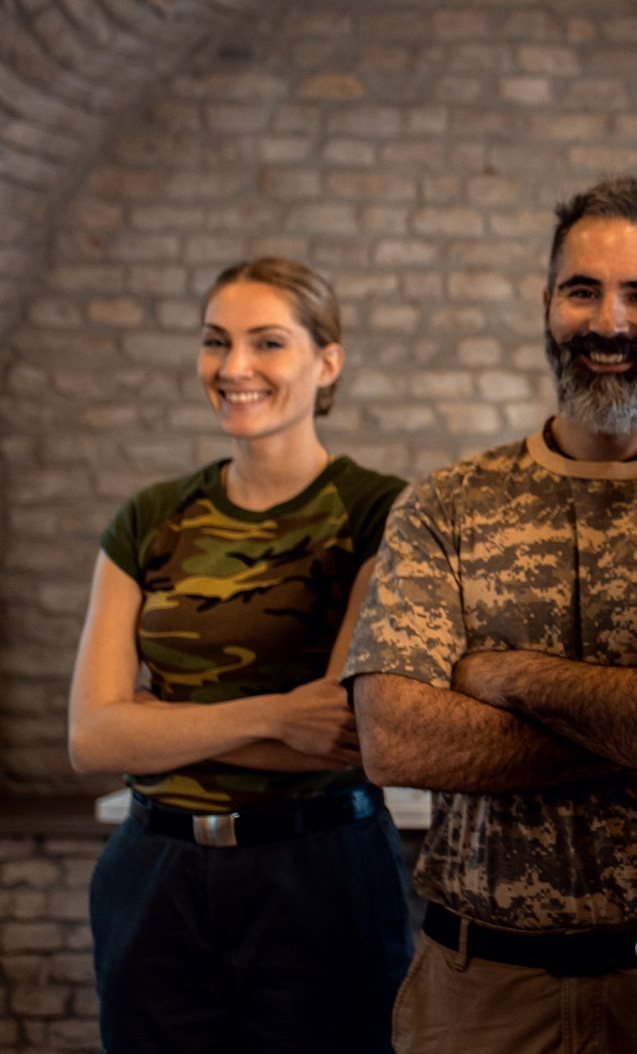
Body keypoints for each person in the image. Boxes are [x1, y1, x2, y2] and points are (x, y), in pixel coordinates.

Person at [344, 176, 637, 1054]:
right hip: (477, 994)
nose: (610, 322)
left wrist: (501, 674)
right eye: (582, 290)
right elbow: (395, 739)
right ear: (547, 305)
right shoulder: (446, 503)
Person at [68, 257, 411, 1054]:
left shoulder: (377, 510)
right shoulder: (150, 516)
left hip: (319, 868)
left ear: (327, 362)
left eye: (267, 343)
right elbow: (91, 736)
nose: (234, 368)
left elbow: (340, 730)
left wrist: (156, 720)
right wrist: (272, 715)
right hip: (152, 871)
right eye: (216, 342)